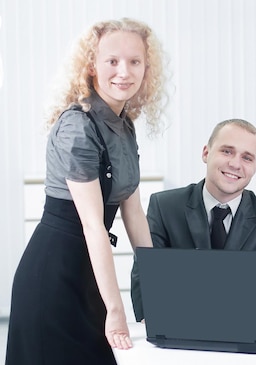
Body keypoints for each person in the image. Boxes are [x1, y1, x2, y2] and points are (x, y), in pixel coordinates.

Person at [5, 18, 168, 365]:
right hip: (55, 274)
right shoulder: (77, 126)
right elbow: (93, 226)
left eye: (134, 61)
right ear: (91, 65)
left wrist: (160, 292)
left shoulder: (124, 125)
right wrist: (116, 307)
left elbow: (134, 214)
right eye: (112, 60)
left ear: (146, 68)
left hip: (90, 273)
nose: (124, 71)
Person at [130, 119, 256, 321]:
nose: (235, 164)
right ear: (206, 153)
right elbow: (146, 280)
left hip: (243, 331)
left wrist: (215, 306)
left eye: (247, 158)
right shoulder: (165, 207)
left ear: (255, 167)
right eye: (227, 151)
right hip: (181, 328)